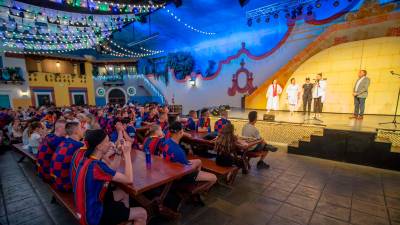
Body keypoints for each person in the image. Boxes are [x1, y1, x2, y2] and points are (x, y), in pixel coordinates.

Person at [74, 129, 147, 225]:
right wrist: (127, 154)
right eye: (108, 141)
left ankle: (125, 221)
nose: (111, 143)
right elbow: (129, 179)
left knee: (124, 193)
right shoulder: (97, 166)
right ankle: (124, 218)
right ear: (99, 146)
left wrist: (118, 153)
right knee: (142, 213)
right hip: (93, 216)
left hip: (87, 205)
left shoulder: (87, 160)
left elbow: (111, 170)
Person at [163, 122, 217, 190]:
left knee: (199, 161)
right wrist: (193, 170)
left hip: (171, 167)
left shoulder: (166, 142)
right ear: (181, 132)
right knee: (214, 177)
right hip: (181, 175)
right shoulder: (179, 151)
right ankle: (196, 190)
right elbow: (187, 168)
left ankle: (196, 178)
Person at [50, 122, 84, 192]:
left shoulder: (65, 142)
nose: (84, 129)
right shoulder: (78, 146)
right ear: (76, 131)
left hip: (55, 181)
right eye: (81, 128)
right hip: (65, 185)